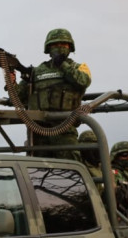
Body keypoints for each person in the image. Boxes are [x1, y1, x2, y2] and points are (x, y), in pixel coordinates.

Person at [16, 28, 91, 158]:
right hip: (38, 130)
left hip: (64, 127)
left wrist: (62, 65)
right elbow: (18, 97)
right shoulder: (36, 71)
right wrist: (10, 79)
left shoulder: (78, 67)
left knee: (70, 166)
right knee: (37, 170)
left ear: (70, 47)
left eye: (63, 44)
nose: (59, 47)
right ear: (48, 48)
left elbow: (83, 81)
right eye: (55, 44)